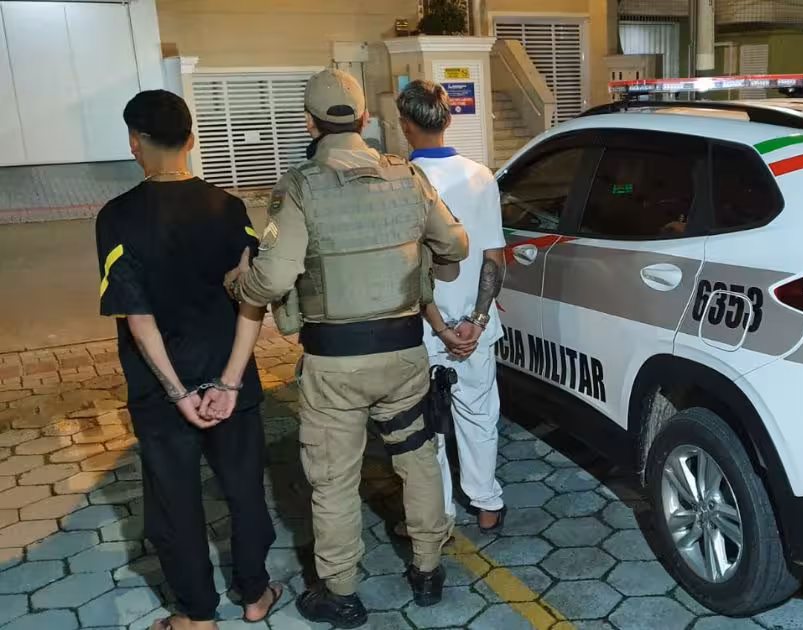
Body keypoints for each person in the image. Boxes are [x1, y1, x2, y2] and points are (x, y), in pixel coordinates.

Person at [224, 68, 469, 628]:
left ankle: (341, 593)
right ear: (364, 117)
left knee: (334, 478)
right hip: (404, 353)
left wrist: (238, 285)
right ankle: (428, 571)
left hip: (335, 363)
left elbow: (273, 278)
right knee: (417, 459)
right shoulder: (407, 175)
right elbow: (454, 244)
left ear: (309, 123)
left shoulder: (300, 186)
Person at [94, 90, 281, 630]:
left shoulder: (117, 218)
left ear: (135, 142)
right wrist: (230, 381)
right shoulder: (231, 209)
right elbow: (253, 301)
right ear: (192, 139)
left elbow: (138, 317)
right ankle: (255, 595)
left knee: (175, 503)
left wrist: (177, 393)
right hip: (231, 380)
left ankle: (197, 616)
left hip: (160, 391)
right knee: (245, 491)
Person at [396, 79, 507, 533]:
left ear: (406, 125)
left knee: (428, 425)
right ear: (447, 120)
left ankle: (437, 514)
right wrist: (476, 321)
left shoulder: (401, 180)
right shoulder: (481, 176)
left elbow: (410, 268)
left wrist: (441, 328)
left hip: (422, 327)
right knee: (478, 413)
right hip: (474, 326)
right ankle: (487, 503)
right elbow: (494, 257)